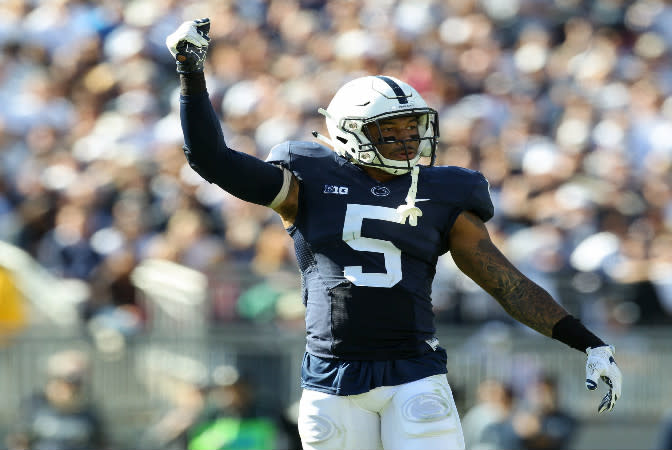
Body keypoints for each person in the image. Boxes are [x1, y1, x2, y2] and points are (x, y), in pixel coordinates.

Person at [165, 19, 623, 450]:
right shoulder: (306, 181)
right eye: (391, 130)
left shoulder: (443, 192)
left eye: (413, 127)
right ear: (349, 132)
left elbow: (505, 282)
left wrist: (587, 341)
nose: (408, 139)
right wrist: (190, 73)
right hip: (332, 379)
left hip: (414, 373)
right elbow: (212, 159)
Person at [5, 350, 107, 450]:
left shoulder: (89, 412)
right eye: (70, 381)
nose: (74, 388)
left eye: (79, 382)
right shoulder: (34, 406)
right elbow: (19, 441)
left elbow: (103, 443)